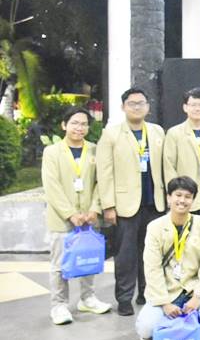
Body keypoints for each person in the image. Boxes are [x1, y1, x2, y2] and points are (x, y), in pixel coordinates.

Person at [96, 87, 166, 316]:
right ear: (123, 107)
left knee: (152, 252)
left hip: (153, 203)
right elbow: (104, 172)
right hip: (125, 206)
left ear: (148, 106)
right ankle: (124, 298)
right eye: (132, 103)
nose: (137, 107)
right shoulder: (112, 134)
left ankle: (147, 292)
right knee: (125, 255)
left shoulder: (157, 132)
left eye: (141, 103)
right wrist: (108, 205)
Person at [136, 177, 200, 340]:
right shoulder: (155, 227)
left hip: (194, 289)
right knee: (146, 329)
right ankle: (180, 325)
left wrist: (198, 297)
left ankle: (192, 325)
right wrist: (164, 304)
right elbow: (152, 269)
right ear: (168, 197)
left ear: (193, 200)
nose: (182, 200)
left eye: (187, 196)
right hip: (166, 292)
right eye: (178, 195)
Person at [43, 107, 111, 325]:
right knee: (59, 264)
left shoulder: (94, 150)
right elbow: (51, 186)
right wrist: (70, 213)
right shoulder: (52, 152)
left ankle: (88, 298)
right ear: (64, 125)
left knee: (88, 257)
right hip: (62, 220)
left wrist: (94, 209)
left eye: (83, 124)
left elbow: (101, 182)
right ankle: (59, 305)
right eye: (74, 123)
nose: (79, 128)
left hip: (89, 218)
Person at [163, 87, 200, 221]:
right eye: (193, 105)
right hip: (186, 196)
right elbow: (169, 166)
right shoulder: (174, 133)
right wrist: (174, 195)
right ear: (185, 107)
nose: (197, 109)